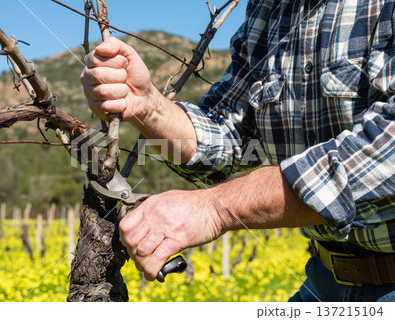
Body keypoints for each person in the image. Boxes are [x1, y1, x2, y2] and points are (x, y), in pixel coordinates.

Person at [81, 0, 395, 301]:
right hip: (323, 279)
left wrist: (213, 208)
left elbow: (387, 153)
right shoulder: (268, 8)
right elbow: (226, 132)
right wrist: (147, 106)